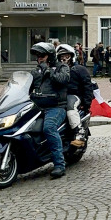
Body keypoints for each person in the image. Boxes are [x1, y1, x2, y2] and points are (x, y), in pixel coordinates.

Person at [29, 42, 70, 179]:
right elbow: (26, 86)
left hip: (56, 106)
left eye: (42, 55)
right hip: (37, 106)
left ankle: (59, 164)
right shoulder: (36, 70)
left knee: (49, 128)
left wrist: (49, 71)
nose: (39, 58)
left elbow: (63, 80)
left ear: (51, 56)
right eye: (38, 56)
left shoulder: (61, 67)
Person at [56, 44, 94, 148]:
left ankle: (79, 133)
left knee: (70, 105)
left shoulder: (79, 69)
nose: (64, 58)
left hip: (74, 96)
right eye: (61, 56)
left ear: (71, 56)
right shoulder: (56, 70)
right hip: (59, 97)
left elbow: (87, 86)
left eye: (66, 55)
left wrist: (86, 104)